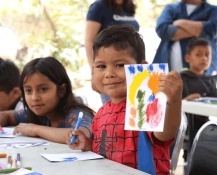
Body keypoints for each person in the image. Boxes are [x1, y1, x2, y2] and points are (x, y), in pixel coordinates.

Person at [67, 25, 182, 174]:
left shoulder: (144, 103)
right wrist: (87, 145)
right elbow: (105, 152)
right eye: (101, 66)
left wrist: (174, 102)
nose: (109, 73)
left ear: (142, 68)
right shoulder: (102, 112)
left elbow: (165, 135)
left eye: (120, 65)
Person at [0, 57, 95, 144]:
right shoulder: (40, 113)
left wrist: (36, 129)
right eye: (28, 91)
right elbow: (8, 116)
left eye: (43, 89)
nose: (35, 98)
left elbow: (79, 136)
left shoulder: (77, 114)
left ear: (62, 90)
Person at [85, 0, 139, 104]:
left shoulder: (128, 8)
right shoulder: (99, 7)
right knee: (113, 116)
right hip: (110, 74)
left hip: (131, 73)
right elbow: (89, 41)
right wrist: (94, 72)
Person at [154, 0, 217, 75]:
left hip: (202, 77)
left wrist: (180, 23)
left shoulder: (213, 11)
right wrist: (198, 29)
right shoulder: (171, 9)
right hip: (166, 74)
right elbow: (163, 30)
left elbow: (212, 30)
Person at [180, 37, 217, 161]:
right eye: (199, 54)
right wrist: (185, 100)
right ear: (188, 58)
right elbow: (171, 104)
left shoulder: (211, 80)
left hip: (208, 126)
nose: (204, 58)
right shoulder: (181, 79)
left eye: (207, 55)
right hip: (186, 127)